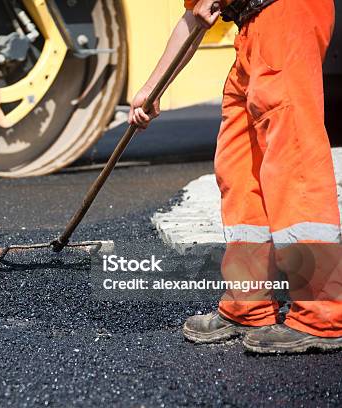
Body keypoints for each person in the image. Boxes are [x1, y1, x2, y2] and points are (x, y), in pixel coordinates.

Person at [130, 0, 342, 353]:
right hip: (252, 26)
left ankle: (321, 313)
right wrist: (153, 89)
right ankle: (249, 302)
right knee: (239, 164)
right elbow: (193, 17)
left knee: (294, 159)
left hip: (286, 13)